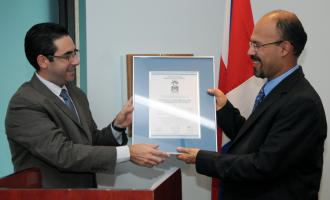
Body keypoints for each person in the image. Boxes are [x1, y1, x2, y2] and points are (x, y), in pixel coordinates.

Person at [176, 10, 327, 200]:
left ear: (284, 48)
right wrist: (224, 110)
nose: (249, 52)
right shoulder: (275, 90)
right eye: (250, 44)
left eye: (257, 45)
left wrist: (202, 158)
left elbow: (263, 165)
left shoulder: (302, 102)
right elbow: (255, 140)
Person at [5, 22, 169, 188]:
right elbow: (64, 154)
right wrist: (129, 152)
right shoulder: (25, 103)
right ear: (43, 61)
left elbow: (90, 143)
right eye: (67, 56)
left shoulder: (76, 94)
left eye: (75, 52)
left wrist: (117, 126)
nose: (76, 61)